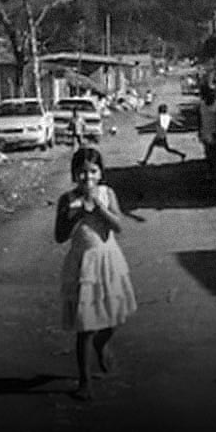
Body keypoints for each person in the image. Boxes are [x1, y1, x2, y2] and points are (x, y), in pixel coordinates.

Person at [54, 146, 138, 400]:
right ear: (73, 174)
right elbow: (59, 236)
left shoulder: (107, 193)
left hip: (108, 261)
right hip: (83, 265)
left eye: (92, 171)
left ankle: (102, 343)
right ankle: (84, 381)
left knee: (112, 316)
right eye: (81, 173)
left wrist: (99, 207)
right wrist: (77, 213)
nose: (87, 178)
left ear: (101, 173)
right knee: (85, 325)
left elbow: (117, 226)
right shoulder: (67, 200)